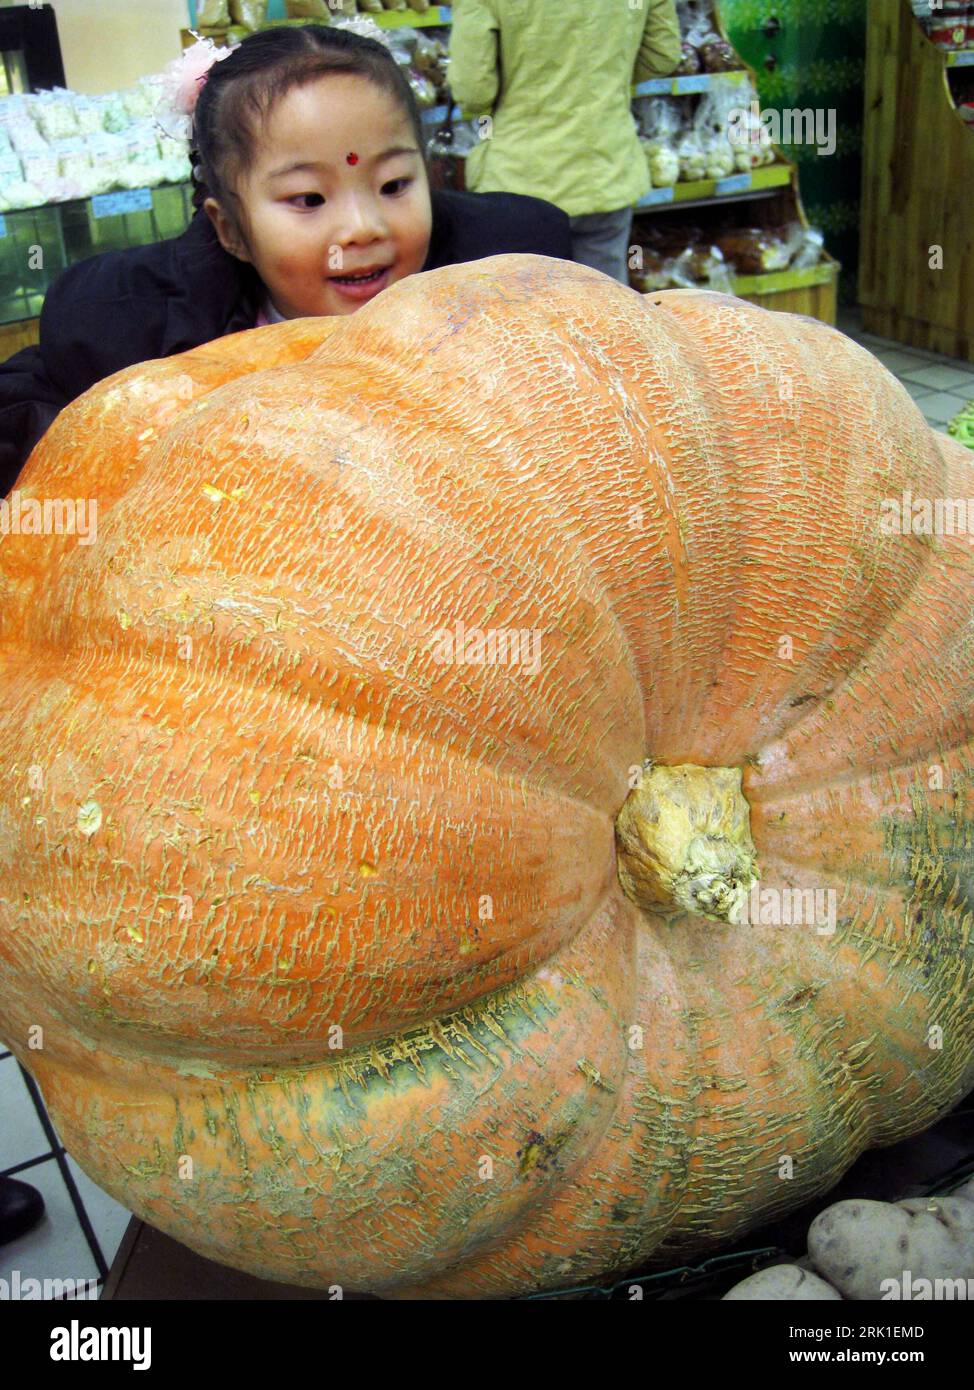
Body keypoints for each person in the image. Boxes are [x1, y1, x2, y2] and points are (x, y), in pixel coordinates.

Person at [0, 23, 572, 493]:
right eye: (309, 199)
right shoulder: (137, 329)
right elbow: (33, 404)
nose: (363, 227)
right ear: (232, 232)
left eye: (394, 184)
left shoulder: (509, 292)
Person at [448, 0, 682, 284]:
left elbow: (472, 90)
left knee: (523, 309)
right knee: (607, 309)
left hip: (520, 179)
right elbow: (663, 56)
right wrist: (606, 81)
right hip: (605, 169)